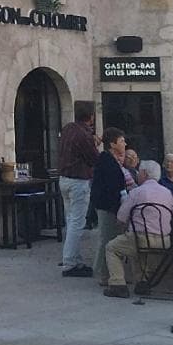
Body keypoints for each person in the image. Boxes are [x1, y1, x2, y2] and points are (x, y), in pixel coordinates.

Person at [104, 160, 173, 297]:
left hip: (141, 238)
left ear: (144, 174)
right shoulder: (167, 193)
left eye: (139, 172)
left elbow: (121, 218)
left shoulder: (137, 192)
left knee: (112, 248)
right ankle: (142, 282)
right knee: (137, 249)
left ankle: (117, 284)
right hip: (164, 240)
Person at [57, 101, 99, 278]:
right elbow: (93, 159)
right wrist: (96, 144)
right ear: (91, 117)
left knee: (70, 220)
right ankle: (70, 263)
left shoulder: (67, 129)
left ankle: (74, 257)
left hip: (64, 179)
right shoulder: (84, 135)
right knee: (77, 222)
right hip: (78, 181)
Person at [90, 127, 127, 288]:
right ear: (112, 144)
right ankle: (104, 274)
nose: (124, 144)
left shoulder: (110, 160)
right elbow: (110, 187)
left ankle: (105, 272)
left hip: (109, 205)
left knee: (109, 239)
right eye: (121, 141)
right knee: (107, 239)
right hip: (108, 206)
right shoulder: (106, 161)